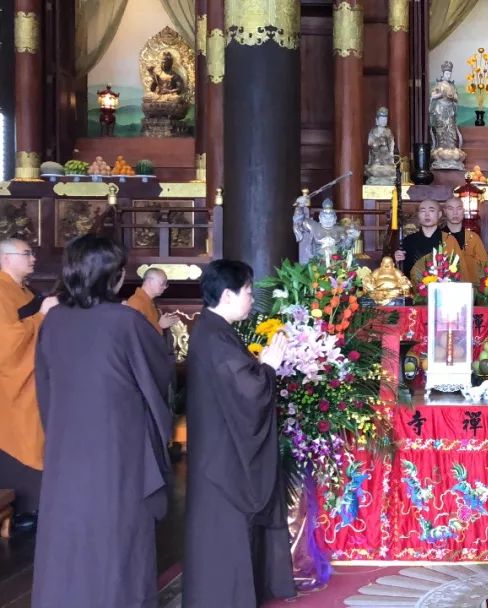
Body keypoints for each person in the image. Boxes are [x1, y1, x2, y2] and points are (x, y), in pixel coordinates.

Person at [31, 235, 174, 607]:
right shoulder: (124, 321)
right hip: (117, 451)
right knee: (116, 538)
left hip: (66, 447)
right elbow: (159, 374)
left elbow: (44, 386)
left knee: (68, 536)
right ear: (113, 276)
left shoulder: (54, 320)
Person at [183, 260, 295, 607]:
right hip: (223, 451)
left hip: (219, 443)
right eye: (248, 292)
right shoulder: (214, 335)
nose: (251, 299)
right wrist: (269, 367)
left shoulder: (214, 329)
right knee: (225, 527)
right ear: (228, 295)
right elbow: (248, 391)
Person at [0, 239, 57, 531]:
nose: (33, 258)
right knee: (19, 440)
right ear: (7, 259)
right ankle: (20, 509)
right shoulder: (1, 291)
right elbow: (7, 344)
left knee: (37, 437)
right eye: (27, 254)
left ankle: (35, 504)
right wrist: (42, 315)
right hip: (11, 386)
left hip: (31, 381)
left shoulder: (22, 291)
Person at [441, 197, 488, 285]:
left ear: (463, 210)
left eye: (459, 208)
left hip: (471, 289)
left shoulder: (473, 238)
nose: (455, 213)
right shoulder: (438, 237)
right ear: (445, 211)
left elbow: (484, 266)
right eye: (450, 209)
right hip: (444, 288)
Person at [126, 267, 179, 335]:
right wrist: (159, 325)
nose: (165, 287)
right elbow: (135, 334)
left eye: (166, 284)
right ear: (149, 281)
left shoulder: (149, 302)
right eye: (162, 283)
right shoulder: (135, 303)